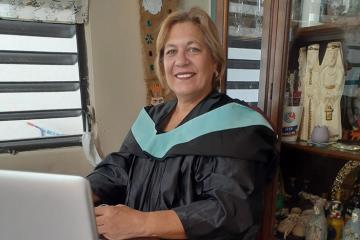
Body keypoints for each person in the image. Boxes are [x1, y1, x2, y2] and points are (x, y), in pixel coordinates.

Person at [87, 7, 277, 240]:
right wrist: (84, 193)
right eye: (171, 51)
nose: (180, 61)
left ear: (215, 62)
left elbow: (228, 210)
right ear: (162, 63)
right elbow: (119, 169)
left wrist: (142, 223)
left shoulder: (238, 128)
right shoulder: (150, 119)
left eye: (193, 49)